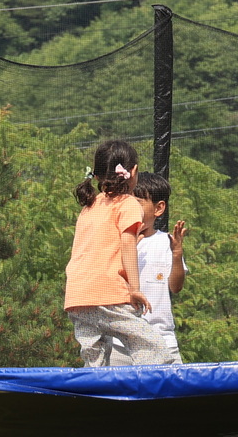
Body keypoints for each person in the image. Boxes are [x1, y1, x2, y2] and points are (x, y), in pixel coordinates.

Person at [65, 139, 165, 367]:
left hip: (77, 296)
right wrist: (135, 289)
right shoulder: (128, 204)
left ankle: (95, 398)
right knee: (151, 348)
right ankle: (154, 393)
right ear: (134, 172)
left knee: (95, 360)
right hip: (107, 293)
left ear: (97, 175)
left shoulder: (89, 206)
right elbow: (128, 246)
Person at [134, 172, 188, 364]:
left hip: (161, 338)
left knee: (174, 392)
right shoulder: (117, 242)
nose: (131, 210)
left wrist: (176, 255)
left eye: (138, 203)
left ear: (158, 208)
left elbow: (176, 286)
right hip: (120, 343)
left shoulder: (164, 242)